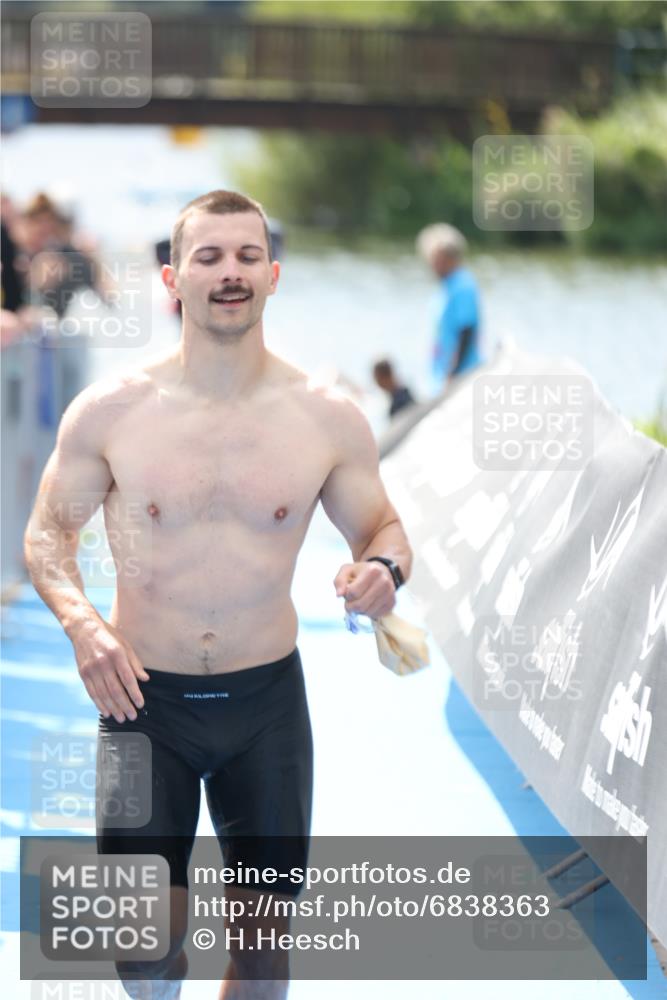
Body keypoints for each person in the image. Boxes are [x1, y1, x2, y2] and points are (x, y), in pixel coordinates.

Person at [24, 189, 413, 1000]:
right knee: (140, 951)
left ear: (272, 276)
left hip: (264, 708)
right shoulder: (112, 411)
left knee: (266, 958)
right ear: (173, 280)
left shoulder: (325, 417)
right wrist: (83, 628)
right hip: (143, 705)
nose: (228, 274)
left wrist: (383, 573)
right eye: (207, 257)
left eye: (244, 257)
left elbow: (381, 527)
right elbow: (46, 538)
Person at [416, 222, 484, 391]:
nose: (432, 265)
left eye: (437, 259)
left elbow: (466, 332)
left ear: (451, 258)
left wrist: (452, 374)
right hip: (442, 376)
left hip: (461, 376)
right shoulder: (448, 285)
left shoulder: (463, 286)